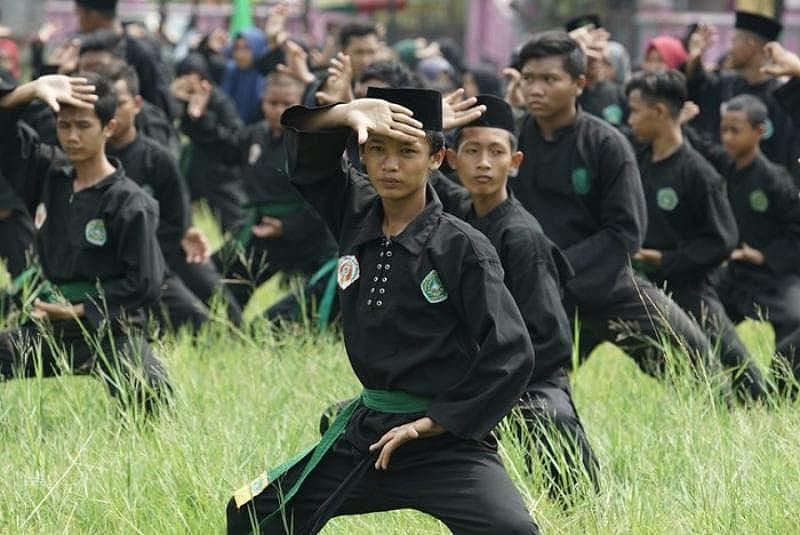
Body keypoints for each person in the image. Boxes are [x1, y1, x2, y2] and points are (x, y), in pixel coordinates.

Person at [226, 87, 539, 534]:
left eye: (407, 151)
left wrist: (433, 424)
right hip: (369, 433)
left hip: (446, 443)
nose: (390, 166)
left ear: (435, 157)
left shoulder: (463, 247)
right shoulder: (355, 213)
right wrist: (344, 112)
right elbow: (312, 163)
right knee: (254, 515)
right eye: (377, 150)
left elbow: (511, 351)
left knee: (514, 532)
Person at [509, 31, 725, 387]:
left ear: (579, 83)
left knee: (697, 366)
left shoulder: (606, 143)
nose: (535, 89)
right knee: (518, 384)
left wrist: (558, 266)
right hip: (530, 287)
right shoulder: (509, 141)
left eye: (549, 79)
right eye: (529, 78)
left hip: (602, 280)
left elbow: (624, 232)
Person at [447, 94, 599, 499]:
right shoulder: (459, 211)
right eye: (471, 151)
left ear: (514, 164)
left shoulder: (522, 237)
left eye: (496, 152)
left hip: (527, 377)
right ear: (450, 159)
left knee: (550, 420)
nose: (483, 163)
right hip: (467, 372)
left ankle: (578, 508)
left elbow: (552, 342)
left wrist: (493, 384)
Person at [0, 73, 170, 411]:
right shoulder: (48, 174)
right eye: (64, 126)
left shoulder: (130, 202)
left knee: (153, 398)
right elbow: (4, 136)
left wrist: (78, 310)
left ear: (108, 127)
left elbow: (145, 284)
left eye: (83, 125)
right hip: (51, 327)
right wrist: (30, 91)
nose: (72, 136)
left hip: (110, 328)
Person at [625, 69, 767, 401]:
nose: (629, 120)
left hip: (688, 287)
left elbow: (722, 240)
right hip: (635, 284)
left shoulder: (698, 172)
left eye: (634, 110)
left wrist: (668, 259)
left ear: (659, 112)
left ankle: (758, 411)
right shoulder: (634, 160)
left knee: (736, 364)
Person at [697, 94, 800, 395]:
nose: (727, 137)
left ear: (759, 131)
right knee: (701, 319)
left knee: (796, 321)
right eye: (724, 129)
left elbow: (797, 229)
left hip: (772, 277)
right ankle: (730, 391)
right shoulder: (725, 170)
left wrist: (763, 255)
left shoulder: (775, 180)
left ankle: (782, 394)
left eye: (735, 130)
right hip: (732, 276)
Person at [218, 72, 338, 325]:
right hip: (263, 229)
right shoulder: (254, 135)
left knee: (313, 301)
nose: (279, 110)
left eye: (287, 104)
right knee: (225, 279)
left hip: (310, 236)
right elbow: (222, 147)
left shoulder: (310, 143)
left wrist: (287, 226)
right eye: (273, 103)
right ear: (262, 103)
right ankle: (229, 330)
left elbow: (324, 197)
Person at [685, 12, 800, 179]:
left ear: (751, 45)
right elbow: (698, 85)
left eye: (734, 41)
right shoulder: (727, 84)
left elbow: (785, 154)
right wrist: (695, 58)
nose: (730, 48)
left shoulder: (782, 97)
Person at [73, 0, 176, 119]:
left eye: (78, 14)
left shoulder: (140, 54)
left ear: (92, 16)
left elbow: (161, 106)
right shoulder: (80, 48)